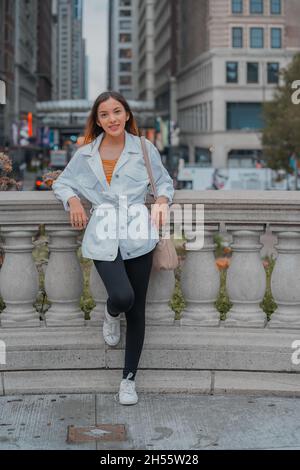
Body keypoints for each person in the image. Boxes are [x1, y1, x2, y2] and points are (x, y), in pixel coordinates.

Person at [52, 91, 175, 405]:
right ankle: (110, 312)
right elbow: (61, 182)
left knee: (137, 311)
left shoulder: (144, 148)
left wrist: (161, 199)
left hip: (138, 233)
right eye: (104, 114)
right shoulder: (86, 153)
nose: (112, 119)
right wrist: (74, 200)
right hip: (103, 231)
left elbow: (163, 182)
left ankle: (128, 380)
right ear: (97, 120)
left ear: (128, 114)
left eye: (117, 112)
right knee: (121, 297)